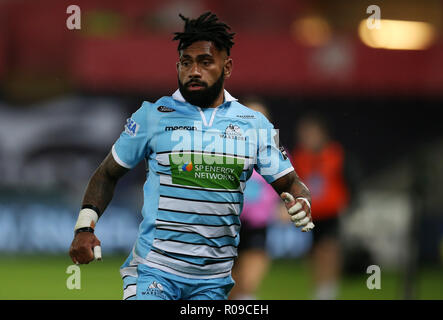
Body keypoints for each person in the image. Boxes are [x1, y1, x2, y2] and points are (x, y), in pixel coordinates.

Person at [69, 11, 314, 300]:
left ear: (227, 67)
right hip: (154, 271)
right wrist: (84, 226)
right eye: (186, 62)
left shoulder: (255, 125)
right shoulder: (153, 115)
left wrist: (302, 200)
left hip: (213, 282)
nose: (194, 71)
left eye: (205, 61)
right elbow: (108, 173)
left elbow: (291, 183)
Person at [291, 114, 349, 300]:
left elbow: (348, 181)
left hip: (330, 213)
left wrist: (347, 203)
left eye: (311, 133)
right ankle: (318, 290)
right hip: (308, 213)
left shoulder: (336, 154)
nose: (308, 138)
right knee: (313, 254)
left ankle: (328, 290)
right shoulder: (299, 157)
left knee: (329, 250)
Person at [228, 100, 282, 300]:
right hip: (227, 225)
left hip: (257, 224)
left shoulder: (274, 153)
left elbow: (287, 184)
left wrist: (286, 205)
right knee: (228, 286)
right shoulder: (225, 148)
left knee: (248, 282)